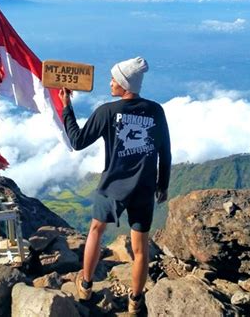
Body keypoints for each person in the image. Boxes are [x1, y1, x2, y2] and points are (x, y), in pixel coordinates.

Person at [58, 56, 171, 315]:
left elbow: (77, 141)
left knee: (95, 232)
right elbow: (165, 152)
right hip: (143, 188)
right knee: (140, 249)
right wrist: (162, 184)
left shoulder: (107, 112)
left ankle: (85, 287)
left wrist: (67, 106)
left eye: (114, 80)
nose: (110, 83)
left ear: (124, 84)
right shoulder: (155, 111)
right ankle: (135, 302)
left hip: (112, 186)